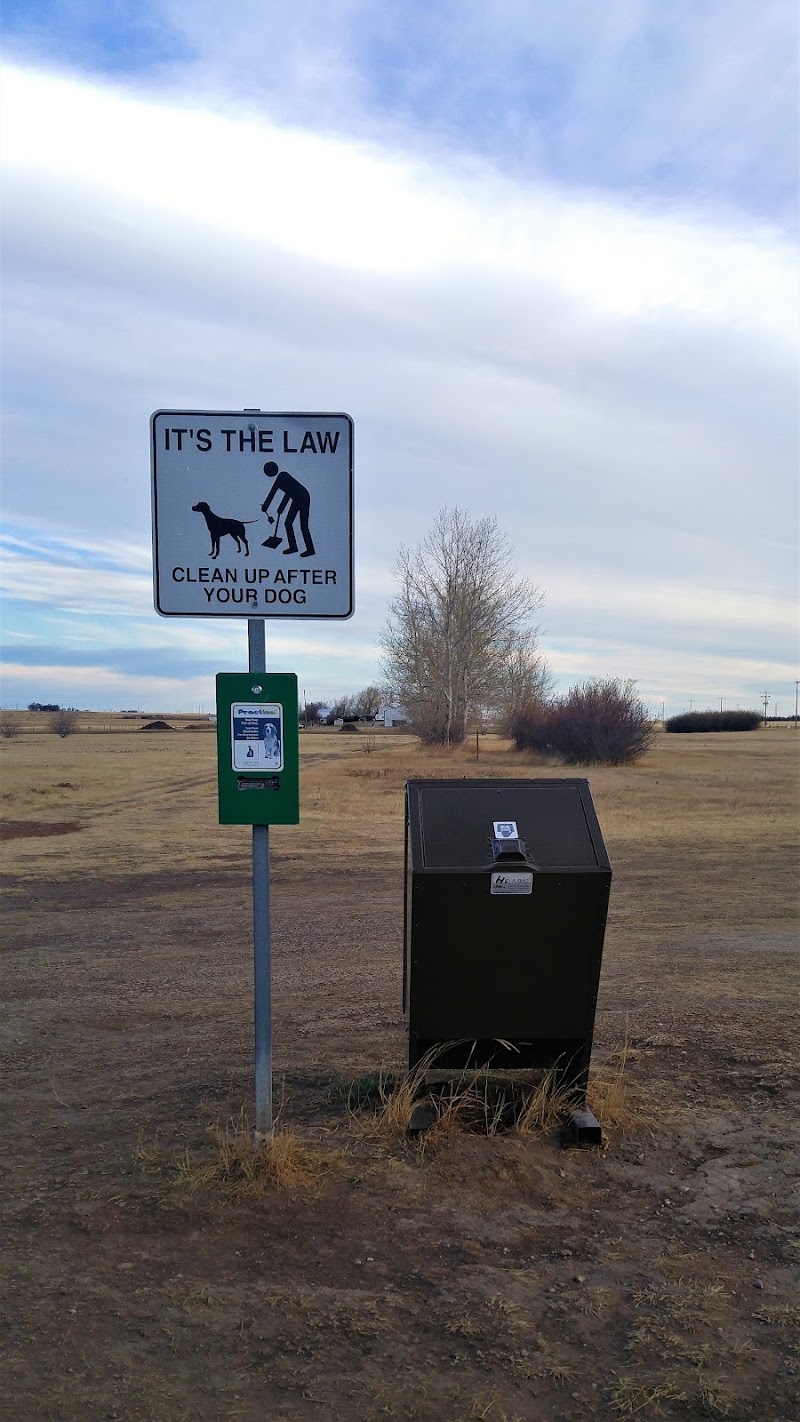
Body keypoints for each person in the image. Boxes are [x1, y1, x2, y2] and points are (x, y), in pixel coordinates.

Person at [261, 461, 315, 556]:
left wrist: (265, 506)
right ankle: (293, 547)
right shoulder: (283, 477)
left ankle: (310, 549)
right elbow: (288, 493)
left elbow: (272, 493)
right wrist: (280, 509)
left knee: (303, 526)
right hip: (296, 498)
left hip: (303, 498)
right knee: (288, 523)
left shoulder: (282, 476)